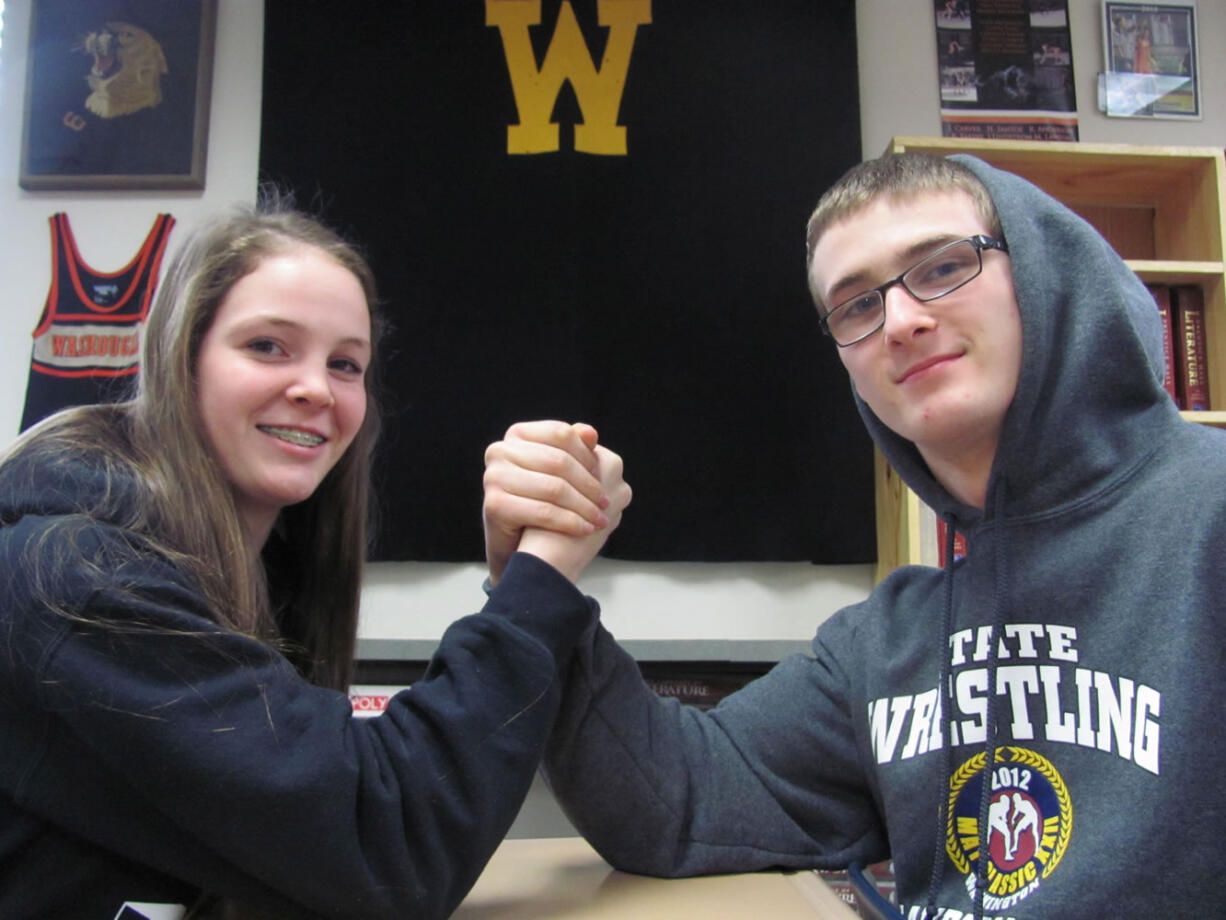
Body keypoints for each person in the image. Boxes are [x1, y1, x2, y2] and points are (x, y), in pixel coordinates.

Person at [481, 152, 1226, 918]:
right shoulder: (890, 643)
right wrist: (531, 582)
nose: (900, 321)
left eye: (941, 268)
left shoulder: (1211, 513)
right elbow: (678, 805)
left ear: (1045, 272)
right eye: (857, 305)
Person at [0, 198, 630, 920]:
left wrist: (519, 574)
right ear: (185, 361)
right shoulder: (74, 577)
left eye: (345, 364)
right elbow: (385, 842)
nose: (314, 388)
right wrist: (541, 573)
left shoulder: (253, 574)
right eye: (267, 346)